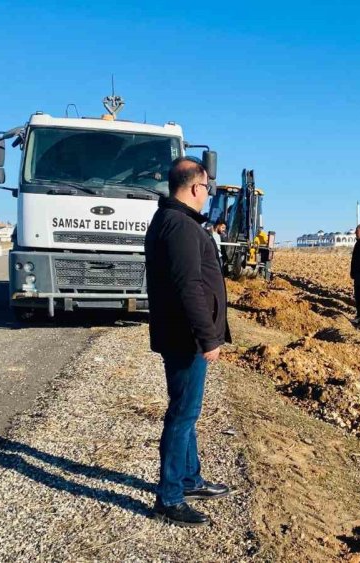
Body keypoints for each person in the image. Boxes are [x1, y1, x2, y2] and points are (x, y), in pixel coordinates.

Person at [145, 157, 232, 527]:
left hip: (181, 335)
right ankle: (169, 496)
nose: (207, 195)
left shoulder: (173, 221)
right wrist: (207, 336)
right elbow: (189, 287)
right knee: (182, 416)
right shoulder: (180, 226)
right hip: (185, 339)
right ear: (196, 187)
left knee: (187, 411)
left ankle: (190, 479)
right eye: (207, 188)